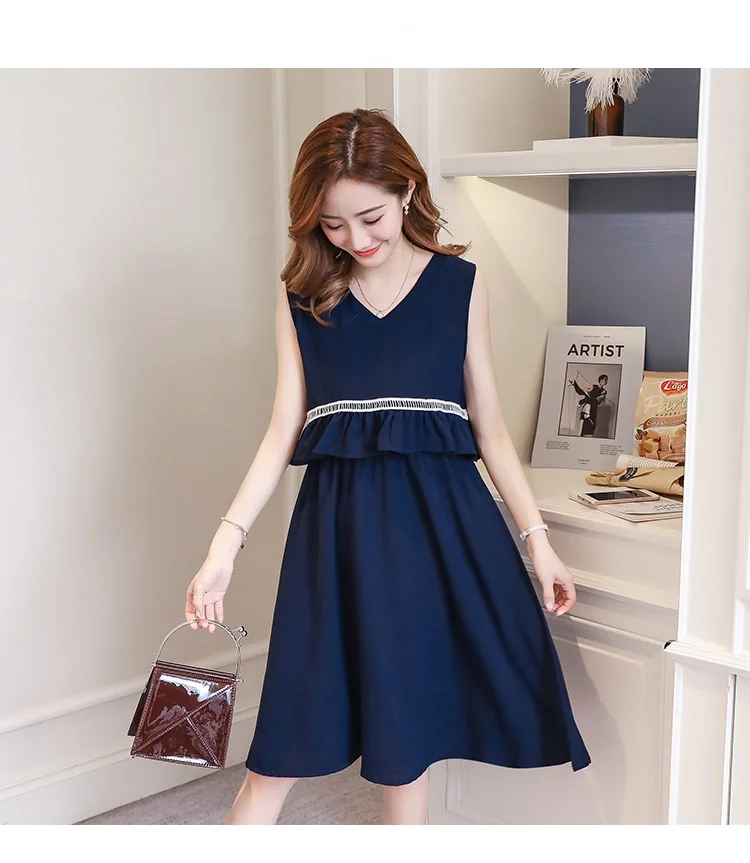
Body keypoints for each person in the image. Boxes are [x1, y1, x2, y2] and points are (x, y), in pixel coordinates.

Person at [185, 108, 591, 826]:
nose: (356, 238)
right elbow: (282, 430)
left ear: (407, 191)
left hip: (439, 536)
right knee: (279, 751)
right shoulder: (304, 296)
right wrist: (225, 547)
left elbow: (490, 428)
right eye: (333, 225)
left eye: (370, 217)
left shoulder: (459, 284)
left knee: (409, 749)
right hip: (334, 542)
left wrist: (538, 542)